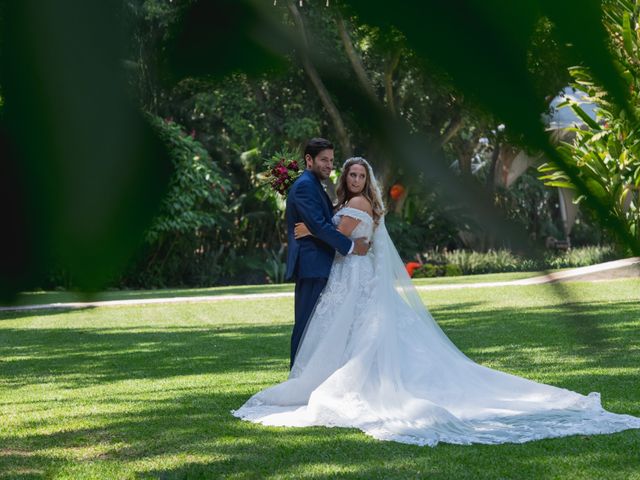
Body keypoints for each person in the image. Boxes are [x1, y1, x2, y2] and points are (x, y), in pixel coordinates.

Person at [232, 157, 640, 446]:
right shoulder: (358, 203)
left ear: (365, 180)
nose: (355, 179)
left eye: (360, 174)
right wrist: (324, 231)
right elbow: (344, 234)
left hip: (354, 277)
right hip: (353, 278)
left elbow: (348, 242)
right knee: (352, 334)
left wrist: (312, 233)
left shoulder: (357, 205)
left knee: (354, 334)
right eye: (350, 174)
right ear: (345, 177)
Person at [284, 138, 369, 369]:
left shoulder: (313, 184)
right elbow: (321, 225)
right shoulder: (305, 185)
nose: (329, 165)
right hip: (312, 264)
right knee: (305, 325)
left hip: (319, 263)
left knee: (314, 327)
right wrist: (352, 247)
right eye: (324, 160)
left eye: (331, 160)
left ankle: (305, 376)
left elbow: (319, 223)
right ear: (309, 160)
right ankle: (297, 378)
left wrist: (312, 229)